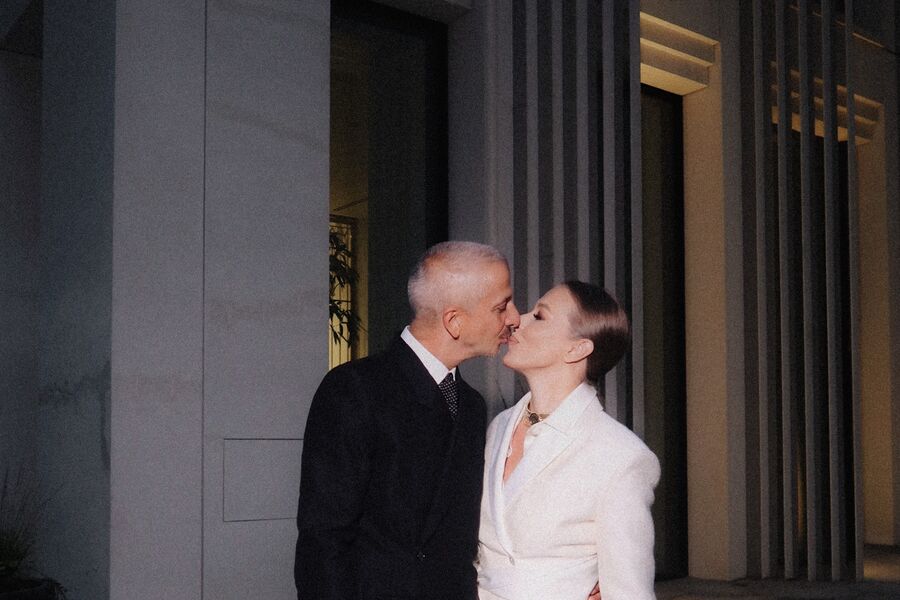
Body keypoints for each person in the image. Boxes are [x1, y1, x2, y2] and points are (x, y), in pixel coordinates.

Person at [295, 241, 520, 600]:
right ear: (454, 321)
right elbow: (323, 542)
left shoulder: (472, 406)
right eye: (501, 306)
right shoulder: (354, 390)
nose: (514, 318)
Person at [477, 281, 660, 600]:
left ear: (577, 349)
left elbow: (629, 592)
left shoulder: (620, 456)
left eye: (540, 316)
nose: (518, 319)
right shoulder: (499, 427)